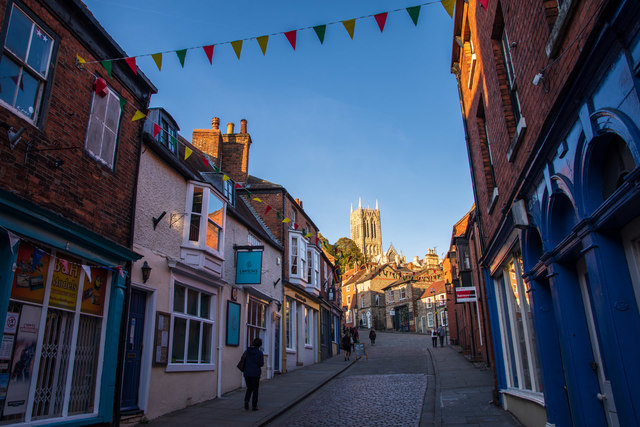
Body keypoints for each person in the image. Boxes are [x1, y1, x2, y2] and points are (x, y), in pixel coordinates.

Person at [243, 337, 264, 411]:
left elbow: (244, 360)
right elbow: (261, 364)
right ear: (260, 345)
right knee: (255, 389)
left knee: (249, 388)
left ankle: (246, 400)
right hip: (255, 373)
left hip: (247, 372)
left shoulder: (247, 351)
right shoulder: (260, 353)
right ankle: (254, 406)